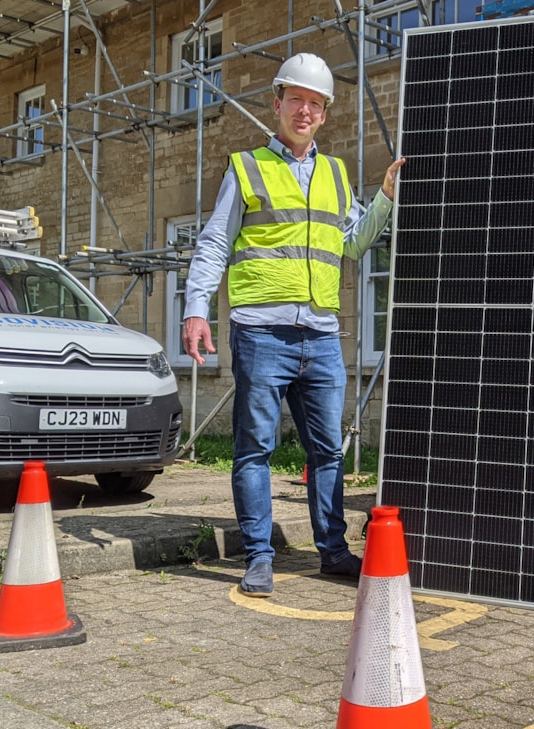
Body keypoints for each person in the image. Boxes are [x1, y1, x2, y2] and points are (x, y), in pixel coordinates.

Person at [183, 52, 406, 598]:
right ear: (277, 102)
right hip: (262, 335)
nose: (304, 111)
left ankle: (332, 552)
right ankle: (259, 556)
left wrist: (384, 200)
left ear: (325, 114)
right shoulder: (247, 167)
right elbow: (214, 242)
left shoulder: (334, 174)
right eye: (296, 99)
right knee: (254, 448)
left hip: (323, 338)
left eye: (315, 103)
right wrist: (194, 307)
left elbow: (351, 243)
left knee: (328, 451)